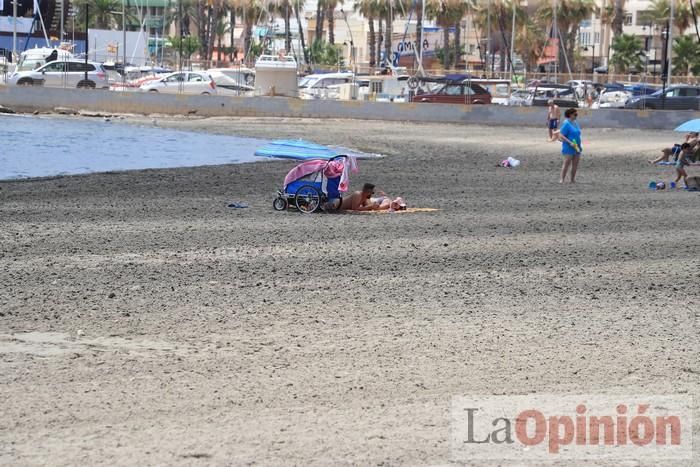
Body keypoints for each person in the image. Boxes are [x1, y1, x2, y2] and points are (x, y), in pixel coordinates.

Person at [557, 108, 582, 184]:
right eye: (575, 114)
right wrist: (569, 142)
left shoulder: (575, 122)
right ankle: (562, 179)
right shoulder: (566, 123)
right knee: (567, 163)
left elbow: (577, 133)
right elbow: (561, 135)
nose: (576, 116)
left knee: (575, 164)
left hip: (577, 146)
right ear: (570, 115)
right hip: (569, 146)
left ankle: (572, 179)